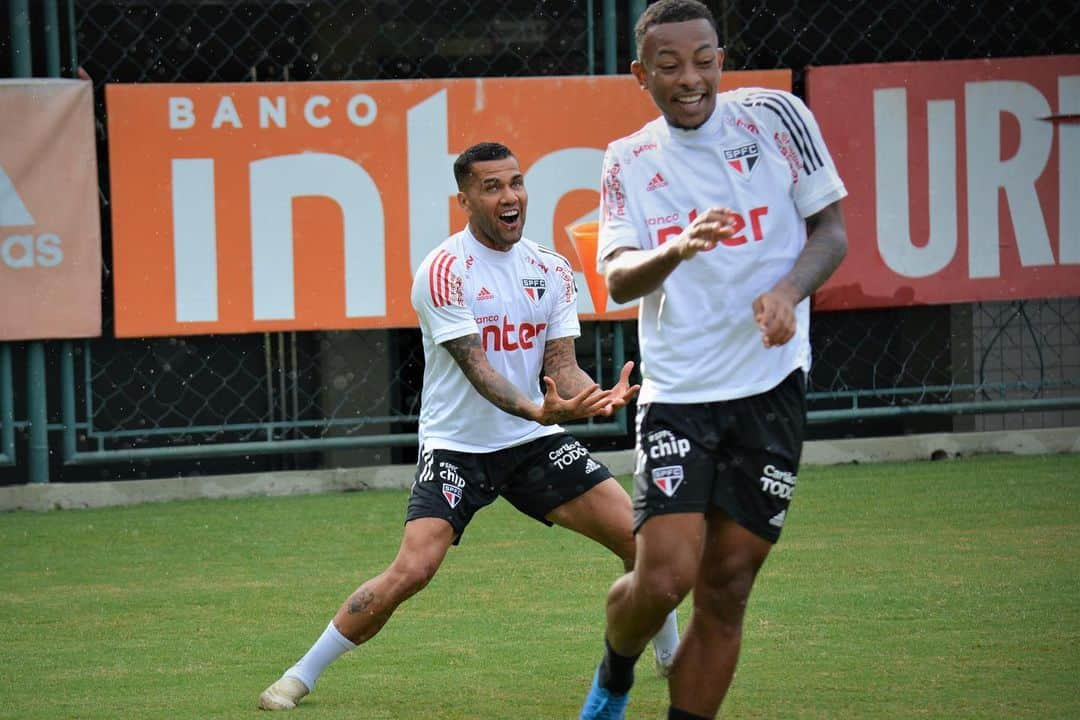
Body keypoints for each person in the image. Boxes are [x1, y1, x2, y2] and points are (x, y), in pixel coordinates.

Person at [258, 142, 680, 711]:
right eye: (492, 187)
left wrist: (593, 396)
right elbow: (479, 370)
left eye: (516, 183)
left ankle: (670, 653)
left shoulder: (551, 268)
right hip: (458, 446)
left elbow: (559, 366)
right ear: (465, 200)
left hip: (532, 441)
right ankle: (299, 676)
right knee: (413, 570)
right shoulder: (444, 271)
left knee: (641, 541)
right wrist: (540, 410)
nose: (510, 197)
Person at [578, 1, 849, 719]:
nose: (689, 78)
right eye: (668, 66)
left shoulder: (778, 118)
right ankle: (614, 672)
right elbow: (617, 277)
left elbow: (831, 231)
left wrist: (788, 291)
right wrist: (677, 247)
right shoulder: (628, 159)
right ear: (642, 75)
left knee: (727, 586)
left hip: (771, 386)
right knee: (665, 579)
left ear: (721, 59)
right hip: (680, 392)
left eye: (703, 60)